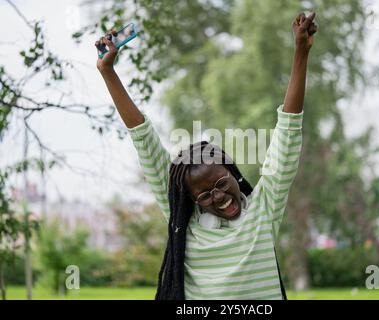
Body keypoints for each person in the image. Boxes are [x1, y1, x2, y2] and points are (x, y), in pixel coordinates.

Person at [95, 12, 317, 300]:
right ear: (191, 200)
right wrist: (108, 72)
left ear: (233, 175)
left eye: (221, 183)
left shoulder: (263, 210)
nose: (219, 196)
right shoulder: (184, 225)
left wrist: (301, 52)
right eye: (205, 195)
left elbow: (288, 131)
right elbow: (144, 139)